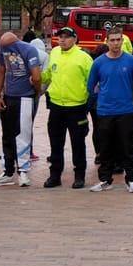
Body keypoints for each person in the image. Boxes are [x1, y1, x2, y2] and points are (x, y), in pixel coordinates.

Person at [87, 27, 133, 192]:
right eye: (112, 40)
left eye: (118, 39)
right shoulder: (99, 62)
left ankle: (131, 180)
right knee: (105, 148)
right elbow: (90, 85)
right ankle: (105, 180)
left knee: (127, 147)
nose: (116, 43)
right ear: (107, 42)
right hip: (105, 112)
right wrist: (96, 99)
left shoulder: (131, 61)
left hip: (126, 111)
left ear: (123, 41)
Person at [41, 27, 93, 189]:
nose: (62, 40)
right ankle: (55, 175)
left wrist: (87, 101)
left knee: (78, 143)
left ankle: (79, 175)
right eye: (60, 37)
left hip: (76, 108)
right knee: (55, 143)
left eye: (66, 37)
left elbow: (92, 83)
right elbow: (48, 74)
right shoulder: (54, 53)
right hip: (56, 106)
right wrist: (36, 77)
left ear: (75, 39)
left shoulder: (84, 58)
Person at [0, 32, 41, 188]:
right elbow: (1, 71)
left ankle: (23, 171)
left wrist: (36, 91)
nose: (7, 50)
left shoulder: (29, 50)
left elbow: (37, 77)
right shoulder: (4, 50)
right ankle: (9, 172)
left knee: (22, 134)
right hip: (9, 96)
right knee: (9, 135)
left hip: (25, 97)